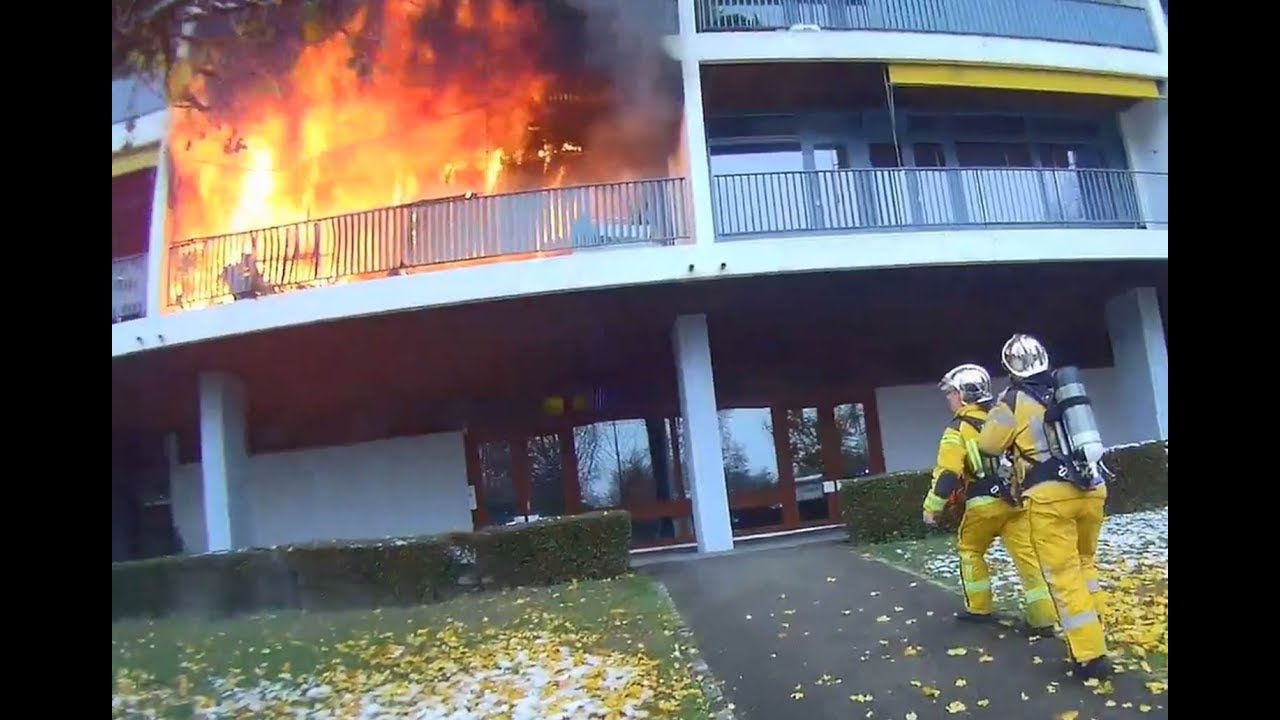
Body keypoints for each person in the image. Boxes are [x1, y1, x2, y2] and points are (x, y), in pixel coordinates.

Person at [977, 333, 1112, 681]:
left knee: (1065, 576)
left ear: (1009, 367)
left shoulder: (1012, 400)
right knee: (1086, 564)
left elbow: (989, 445)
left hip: (1050, 496)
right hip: (1092, 487)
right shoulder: (1065, 390)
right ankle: (1098, 634)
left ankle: (1090, 657)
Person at [922, 364, 1056, 636]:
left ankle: (979, 608)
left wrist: (931, 509)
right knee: (1027, 557)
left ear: (963, 395)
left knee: (970, 549)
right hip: (1014, 501)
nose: (948, 398)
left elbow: (948, 474)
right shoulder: (1002, 419)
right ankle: (1043, 619)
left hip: (983, 503)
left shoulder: (957, 430)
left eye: (951, 393)